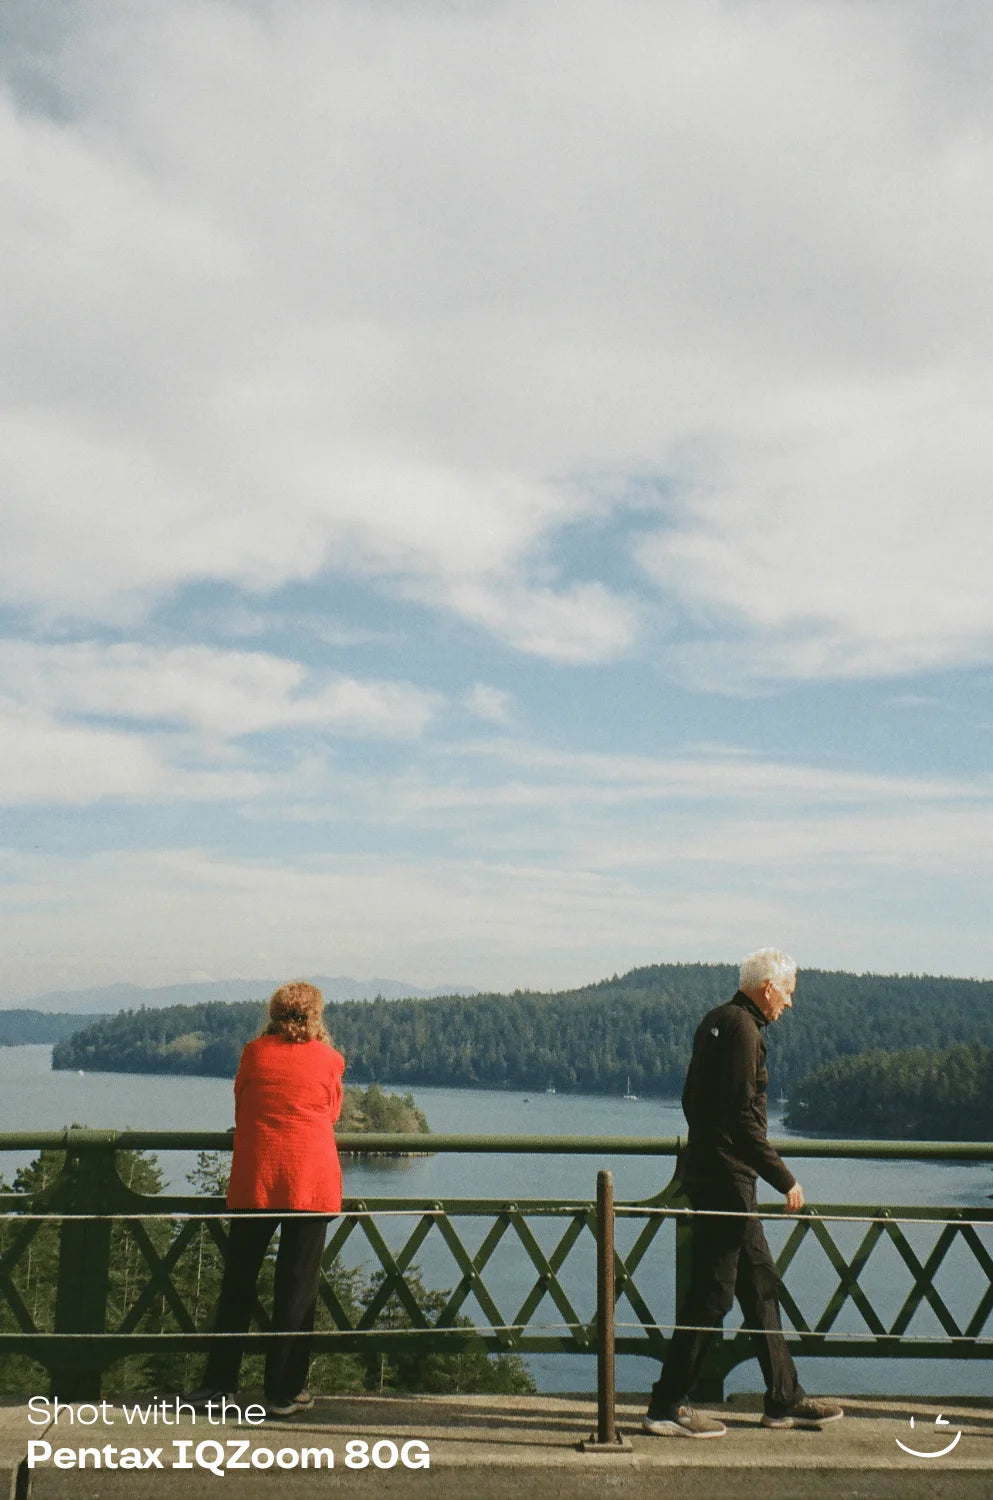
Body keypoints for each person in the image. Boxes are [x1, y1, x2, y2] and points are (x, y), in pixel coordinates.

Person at [643, 948, 844, 1439]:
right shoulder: (744, 1031)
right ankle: (666, 1406)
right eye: (788, 993)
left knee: (760, 1288)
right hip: (728, 1181)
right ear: (768, 988)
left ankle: (783, 1398)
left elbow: (693, 1102)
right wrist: (785, 1179)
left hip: (719, 1174)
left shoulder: (717, 1020)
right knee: (713, 1295)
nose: (790, 1003)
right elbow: (742, 1119)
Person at [189, 981, 345, 1418]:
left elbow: (242, 1107)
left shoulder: (254, 1053)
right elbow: (332, 1113)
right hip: (310, 1180)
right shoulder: (330, 1059)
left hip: (257, 1177)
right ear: (316, 1017)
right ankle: (284, 1392)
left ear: (273, 1014)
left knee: (238, 1282)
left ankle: (219, 1385)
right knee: (297, 1289)